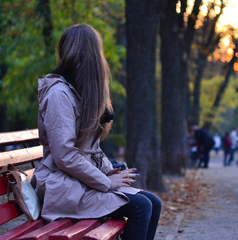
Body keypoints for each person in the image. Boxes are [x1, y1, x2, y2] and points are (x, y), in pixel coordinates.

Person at [30, 24, 161, 240]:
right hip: (61, 187)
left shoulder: (78, 92)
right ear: (91, 55)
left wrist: (109, 171)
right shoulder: (59, 94)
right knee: (141, 208)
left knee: (153, 203)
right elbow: (65, 156)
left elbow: (91, 148)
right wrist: (107, 182)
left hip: (77, 182)